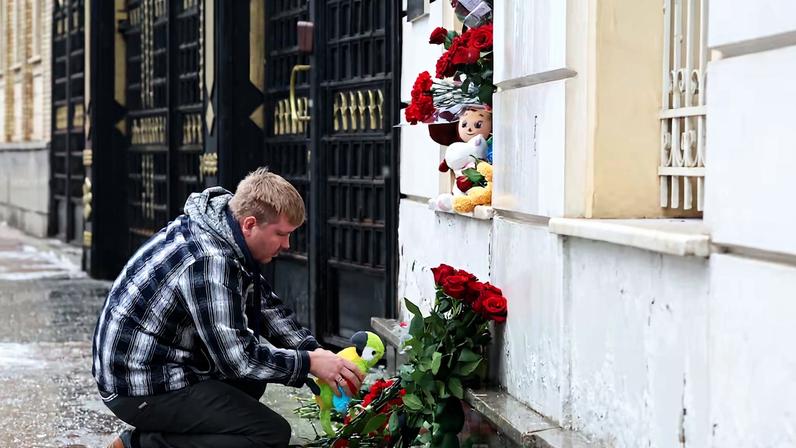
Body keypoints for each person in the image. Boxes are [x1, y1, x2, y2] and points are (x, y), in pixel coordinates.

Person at [93, 168, 364, 448]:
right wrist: (308, 363)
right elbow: (237, 359)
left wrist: (314, 351)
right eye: (281, 234)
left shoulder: (221, 229)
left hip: (156, 367)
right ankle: (140, 444)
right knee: (268, 434)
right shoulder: (210, 261)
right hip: (136, 386)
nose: (287, 244)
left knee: (251, 384)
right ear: (249, 224)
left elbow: (266, 308)